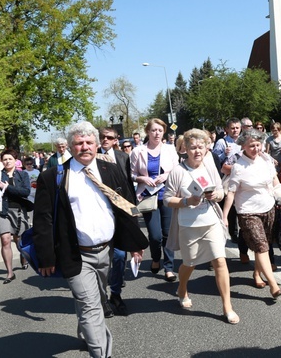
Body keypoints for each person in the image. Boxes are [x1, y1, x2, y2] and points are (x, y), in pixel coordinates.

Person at [34, 121, 147, 358]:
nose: (84, 147)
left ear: (96, 145)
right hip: (75, 254)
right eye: (78, 143)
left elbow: (128, 207)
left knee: (95, 297)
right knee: (92, 306)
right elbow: (43, 220)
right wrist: (46, 257)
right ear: (71, 147)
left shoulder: (111, 170)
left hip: (106, 251)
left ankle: (86, 333)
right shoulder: (54, 176)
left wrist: (136, 244)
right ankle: (101, 353)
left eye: (89, 142)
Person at [163, 129, 239, 324]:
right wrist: (187, 201)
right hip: (188, 225)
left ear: (207, 148)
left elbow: (221, 189)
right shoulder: (178, 171)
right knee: (190, 263)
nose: (197, 151)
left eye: (201, 147)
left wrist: (217, 195)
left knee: (220, 261)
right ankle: (182, 288)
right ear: (185, 149)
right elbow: (167, 199)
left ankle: (227, 306)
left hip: (210, 222)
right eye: (193, 147)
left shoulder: (210, 165)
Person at [223, 128, 281, 298]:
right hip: (248, 212)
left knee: (263, 245)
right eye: (251, 146)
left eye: (258, 145)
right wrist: (225, 215)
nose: (256, 149)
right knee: (261, 246)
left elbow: (274, 181)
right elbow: (231, 193)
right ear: (243, 146)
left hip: (269, 207)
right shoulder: (238, 167)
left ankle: (257, 274)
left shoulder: (266, 159)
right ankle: (273, 285)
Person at [130, 118, 179, 282]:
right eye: (153, 130)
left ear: (163, 132)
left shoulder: (170, 150)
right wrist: (142, 179)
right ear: (148, 132)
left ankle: (169, 268)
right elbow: (131, 174)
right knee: (155, 235)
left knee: (167, 233)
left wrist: (165, 175)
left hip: (167, 195)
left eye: (160, 130)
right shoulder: (138, 151)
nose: (157, 133)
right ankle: (156, 258)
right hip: (147, 196)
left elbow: (177, 170)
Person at [98, 126, 137, 315]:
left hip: (121, 212)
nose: (105, 140)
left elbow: (129, 185)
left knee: (120, 256)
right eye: (102, 137)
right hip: (100, 213)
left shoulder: (123, 158)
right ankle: (102, 297)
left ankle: (116, 293)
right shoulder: (93, 158)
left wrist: (133, 211)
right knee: (103, 259)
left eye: (109, 137)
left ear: (116, 140)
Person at [0, 148, 32, 283]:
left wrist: (7, 188)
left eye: (10, 159)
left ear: (15, 160)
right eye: (5, 159)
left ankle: (23, 256)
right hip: (1, 211)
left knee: (19, 239)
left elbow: (25, 191)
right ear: (2, 161)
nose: (7, 161)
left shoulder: (23, 175)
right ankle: (10, 273)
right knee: (5, 239)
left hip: (19, 211)